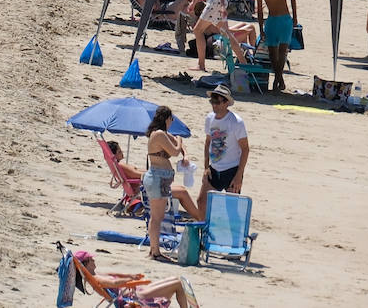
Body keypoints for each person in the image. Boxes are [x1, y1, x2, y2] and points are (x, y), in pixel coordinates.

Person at [144, 105, 198, 259]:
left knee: (156, 216)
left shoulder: (164, 134)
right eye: (171, 119)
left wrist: (185, 154)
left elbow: (179, 147)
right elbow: (175, 151)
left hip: (161, 179)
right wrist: (180, 140)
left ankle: (153, 250)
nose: (172, 121)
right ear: (167, 119)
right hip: (157, 178)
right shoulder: (159, 134)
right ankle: (155, 252)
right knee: (157, 217)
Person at [70, 251, 199, 308]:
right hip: (135, 296)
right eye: (91, 259)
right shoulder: (96, 277)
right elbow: (114, 282)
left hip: (134, 291)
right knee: (177, 283)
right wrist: (130, 282)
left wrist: (130, 276)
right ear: (86, 264)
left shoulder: (97, 274)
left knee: (175, 280)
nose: (94, 260)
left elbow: (115, 275)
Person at [199, 84, 248, 200]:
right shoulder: (209, 118)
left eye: (217, 102)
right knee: (201, 201)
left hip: (231, 170)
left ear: (226, 103)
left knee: (231, 206)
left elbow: (245, 149)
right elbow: (207, 143)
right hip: (214, 169)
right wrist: (206, 167)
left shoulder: (236, 122)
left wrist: (238, 176)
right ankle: (203, 219)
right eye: (212, 101)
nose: (214, 105)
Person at [255, 0, 297, 93]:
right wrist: (261, 28)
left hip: (285, 20)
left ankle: (276, 82)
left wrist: (295, 17)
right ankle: (280, 80)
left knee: (283, 51)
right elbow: (260, 10)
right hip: (272, 20)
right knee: (273, 54)